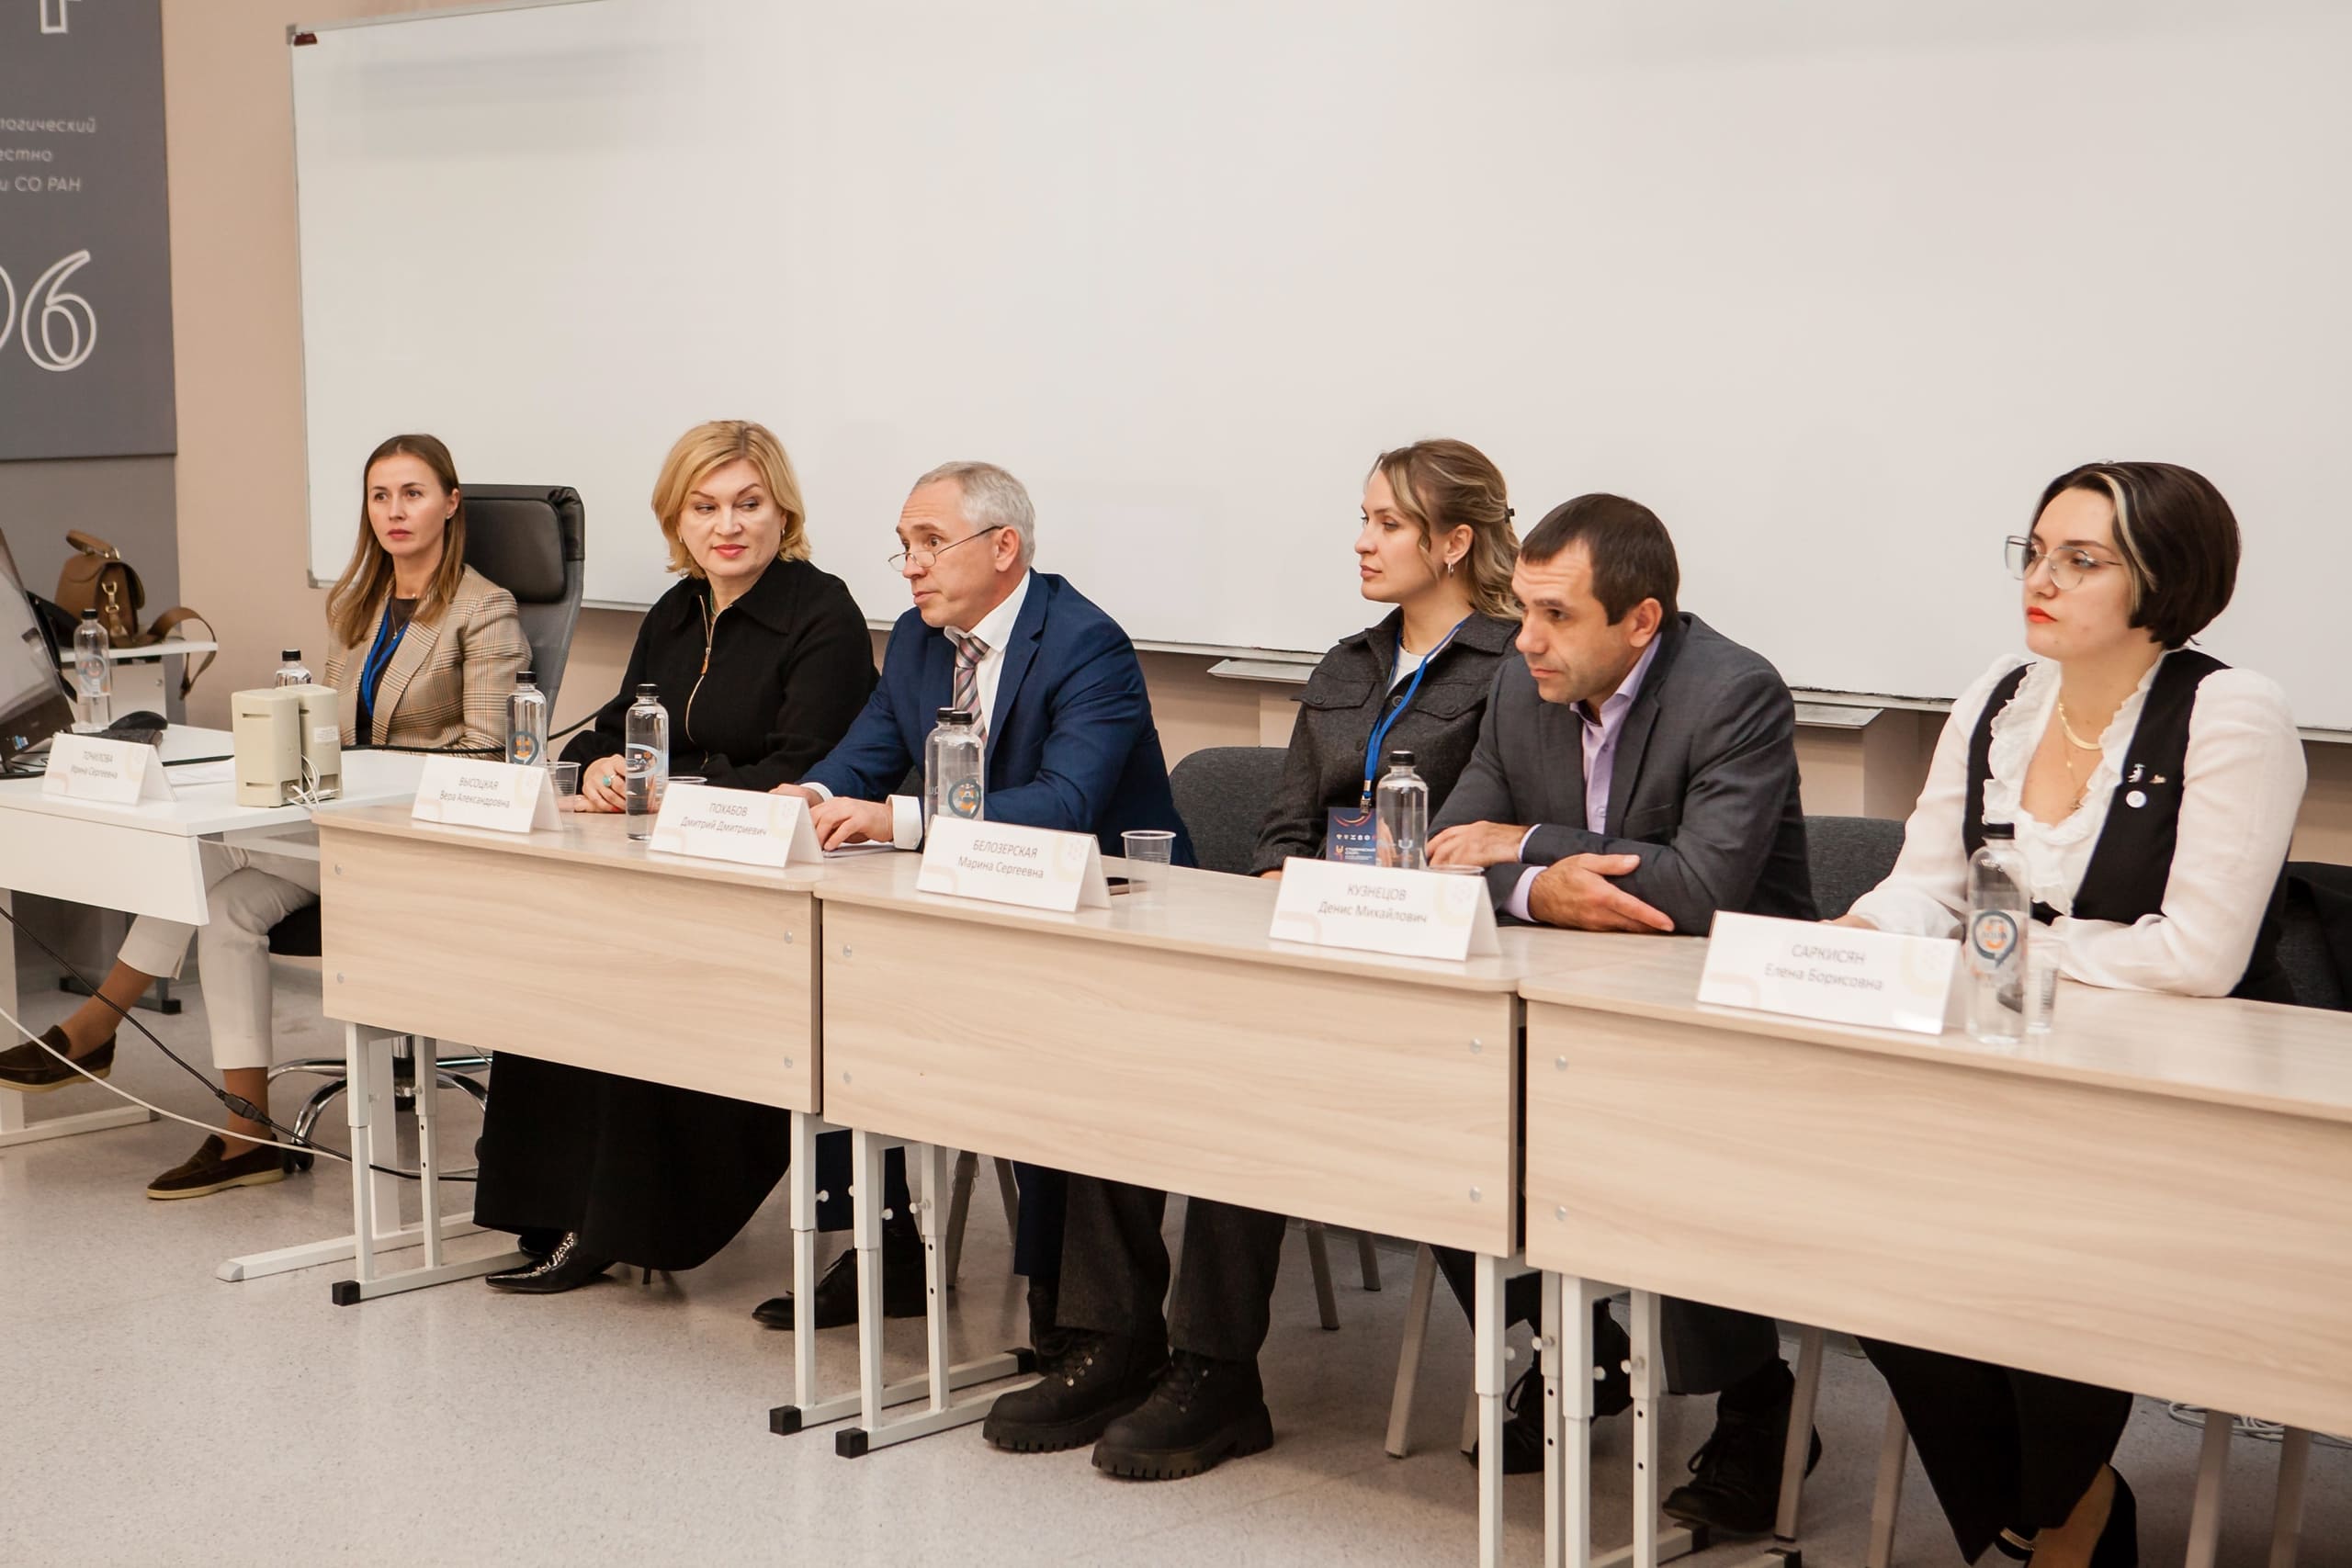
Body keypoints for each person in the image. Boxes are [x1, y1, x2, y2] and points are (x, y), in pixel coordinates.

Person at [985, 438, 1525, 1475]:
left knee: (1246, 1085)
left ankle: (1215, 1368)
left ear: (1455, 542)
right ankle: (1110, 1340)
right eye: (1363, 518)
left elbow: (1472, 839)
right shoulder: (1347, 663)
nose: (1362, 541)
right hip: (1309, 952)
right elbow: (1281, 828)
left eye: (1388, 524)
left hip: (1427, 981)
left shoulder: (1513, 673)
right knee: (1120, 1055)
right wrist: (1288, 876)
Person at [1839, 462, 2304, 1568]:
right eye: (2035, 552)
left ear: (2163, 579)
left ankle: (2055, 1520)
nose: (2040, 580)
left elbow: (2196, 957)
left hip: (2161, 1100)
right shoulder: (2000, 696)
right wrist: (1856, 934)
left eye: (2080, 560)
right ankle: (2061, 1507)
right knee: (1866, 1251)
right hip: (1993, 1074)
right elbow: (1927, 886)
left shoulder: (2229, 712)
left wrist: (1998, 954)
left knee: (2042, 1260)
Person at [1426, 492, 1820, 1532]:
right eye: (1524, 609)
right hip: (1575, 996)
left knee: (1659, 1123)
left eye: (1556, 615)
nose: (1526, 638)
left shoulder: (1733, 692)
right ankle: (1577, 1350)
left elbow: (1697, 888)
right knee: (1437, 1103)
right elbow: (1448, 853)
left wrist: (1528, 847)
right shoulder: (1522, 686)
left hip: (1732, 1015)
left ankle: (1760, 1403)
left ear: (1641, 620)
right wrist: (1538, 889)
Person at [0, 434, 527, 1200]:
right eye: (380, 496)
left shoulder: (485, 609)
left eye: (413, 493)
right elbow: (330, 724)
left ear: (450, 503)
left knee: (205, 851)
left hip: (419, 834)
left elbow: (490, 753)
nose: (394, 511)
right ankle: (247, 1130)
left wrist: (366, 770)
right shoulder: (359, 603)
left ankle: (96, 1026)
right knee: (221, 906)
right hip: (338, 822)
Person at [771, 458, 1192, 1349]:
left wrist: (903, 819)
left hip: (1107, 917)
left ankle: (1063, 1311)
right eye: (903, 546)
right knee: (832, 996)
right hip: (981, 907)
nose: (912, 566)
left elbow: (1065, 804)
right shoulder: (920, 639)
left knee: (1033, 1054)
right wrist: (807, 796)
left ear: (1004, 547)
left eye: (931, 542)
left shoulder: (1086, 643)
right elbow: (866, 751)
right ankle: (880, 1243)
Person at [470, 420, 876, 1293]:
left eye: (748, 504)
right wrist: (601, 768)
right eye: (704, 507)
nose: (727, 525)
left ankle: (613, 1221)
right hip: (663, 872)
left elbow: (803, 771)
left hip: (769, 892)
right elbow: (611, 730)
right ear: (677, 520)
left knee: (630, 985)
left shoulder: (823, 613)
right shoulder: (676, 611)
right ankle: (550, 1209)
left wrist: (669, 785)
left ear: (783, 513)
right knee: (550, 968)